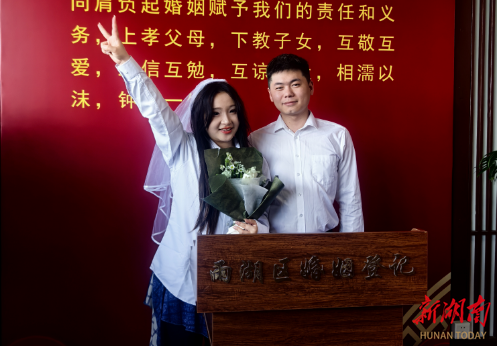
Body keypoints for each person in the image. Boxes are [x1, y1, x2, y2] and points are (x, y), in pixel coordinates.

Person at [98, 17, 269, 346]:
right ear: (200, 115)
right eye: (215, 112)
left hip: (226, 282)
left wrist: (256, 230)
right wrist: (124, 61)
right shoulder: (183, 148)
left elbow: (261, 219)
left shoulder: (250, 160)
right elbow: (156, 111)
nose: (226, 120)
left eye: (232, 111)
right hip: (178, 279)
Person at [249, 53, 364, 234]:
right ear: (270, 94)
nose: (288, 93)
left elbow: (351, 200)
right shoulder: (256, 140)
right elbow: (254, 203)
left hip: (325, 244)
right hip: (273, 244)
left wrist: (353, 247)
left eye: (295, 84)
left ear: (310, 87)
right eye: (279, 87)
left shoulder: (338, 136)